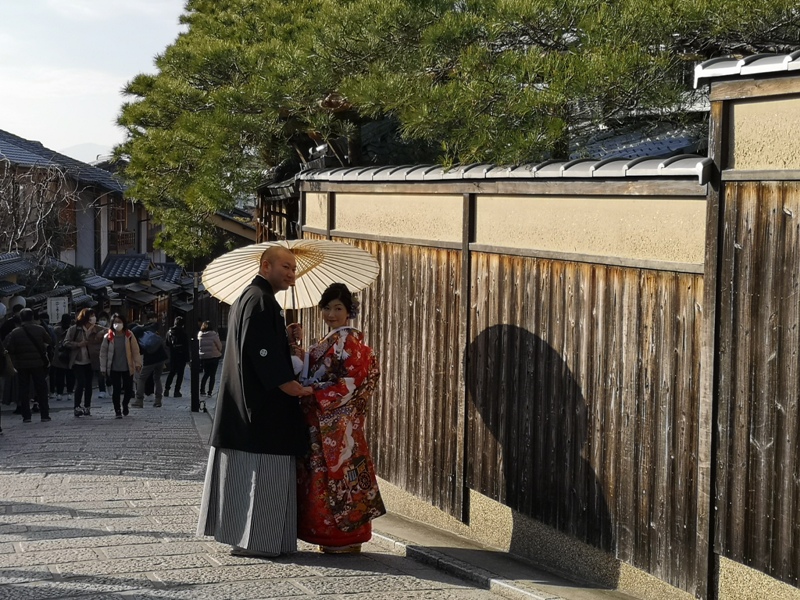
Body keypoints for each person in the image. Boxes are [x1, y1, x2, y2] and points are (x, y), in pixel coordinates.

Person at [197, 245, 312, 559]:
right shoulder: (261, 301)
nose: (291, 273)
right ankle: (259, 541)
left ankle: (256, 538)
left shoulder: (251, 299)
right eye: (285, 267)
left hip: (244, 404)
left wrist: (285, 338)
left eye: (293, 268)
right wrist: (288, 384)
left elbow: (260, 343)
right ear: (266, 266)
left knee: (250, 475)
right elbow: (259, 351)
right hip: (261, 409)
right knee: (263, 476)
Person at [296, 283, 385, 553]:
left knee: (341, 480)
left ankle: (344, 539)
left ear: (349, 312)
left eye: (338, 308)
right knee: (321, 481)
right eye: (327, 307)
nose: (331, 313)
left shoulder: (350, 342)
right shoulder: (328, 342)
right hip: (320, 424)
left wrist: (314, 391)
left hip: (338, 427)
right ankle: (328, 537)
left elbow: (351, 383)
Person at [3, 308, 52, 423]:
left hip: (21, 365)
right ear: (32, 317)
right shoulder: (40, 329)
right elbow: (49, 341)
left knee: (23, 389)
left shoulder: (15, 332)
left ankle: (26, 416)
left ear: (21, 318)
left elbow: (9, 348)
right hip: (38, 363)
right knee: (41, 388)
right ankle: (44, 414)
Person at [99, 313, 142, 418]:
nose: (117, 324)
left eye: (119, 322)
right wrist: (103, 368)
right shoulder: (108, 336)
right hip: (114, 368)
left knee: (128, 389)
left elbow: (135, 350)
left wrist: (138, 363)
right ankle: (117, 410)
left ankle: (125, 404)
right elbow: (103, 353)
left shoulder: (129, 335)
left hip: (127, 367)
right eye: (115, 322)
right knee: (116, 390)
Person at [64, 308, 104, 417]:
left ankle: (87, 406)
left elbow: (109, 335)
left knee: (88, 384)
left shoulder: (98, 329)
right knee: (80, 383)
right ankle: (77, 406)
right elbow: (66, 342)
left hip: (91, 361)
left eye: (94, 315)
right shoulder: (74, 329)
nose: (93, 318)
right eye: (91, 315)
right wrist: (78, 344)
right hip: (77, 360)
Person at [130, 312, 168, 408]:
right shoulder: (150, 329)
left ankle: (139, 400)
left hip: (150, 360)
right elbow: (156, 325)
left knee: (142, 379)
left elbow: (140, 352)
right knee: (157, 378)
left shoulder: (138, 338)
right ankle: (158, 400)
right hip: (161, 357)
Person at [52, 313, 75, 401]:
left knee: (59, 375)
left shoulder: (56, 330)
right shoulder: (72, 330)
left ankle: (59, 393)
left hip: (59, 354)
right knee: (70, 375)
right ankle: (69, 392)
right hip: (70, 354)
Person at [164, 316, 189, 397]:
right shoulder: (183, 333)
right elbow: (186, 347)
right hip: (181, 355)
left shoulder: (169, 332)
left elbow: (167, 343)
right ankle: (176, 391)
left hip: (173, 354)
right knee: (180, 374)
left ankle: (166, 389)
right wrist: (188, 359)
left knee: (171, 372)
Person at [198, 321, 223, 396]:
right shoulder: (214, 334)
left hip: (204, 357)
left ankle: (202, 391)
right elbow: (219, 346)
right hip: (214, 356)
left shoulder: (200, 335)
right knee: (212, 375)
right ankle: (210, 392)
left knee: (206, 374)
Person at [94, 311, 111, 398]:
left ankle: (109, 385)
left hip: (109, 354)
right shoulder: (95, 328)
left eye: (104, 319)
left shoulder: (112, 329)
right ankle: (102, 390)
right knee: (100, 372)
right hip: (98, 354)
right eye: (101, 319)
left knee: (109, 373)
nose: (102, 321)